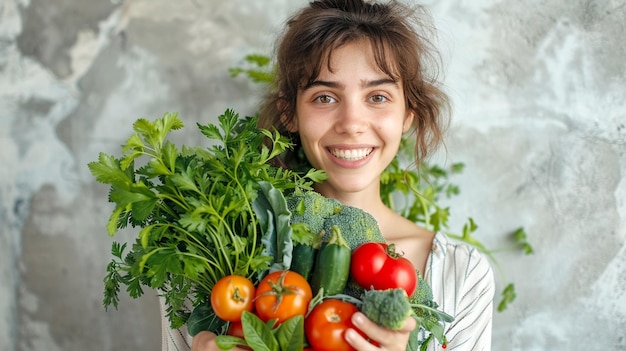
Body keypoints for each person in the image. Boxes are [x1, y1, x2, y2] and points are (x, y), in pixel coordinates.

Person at [162, 0, 495, 350]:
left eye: (378, 96)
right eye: (324, 97)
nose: (351, 123)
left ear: (407, 116)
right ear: (289, 114)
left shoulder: (462, 276)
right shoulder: (217, 254)